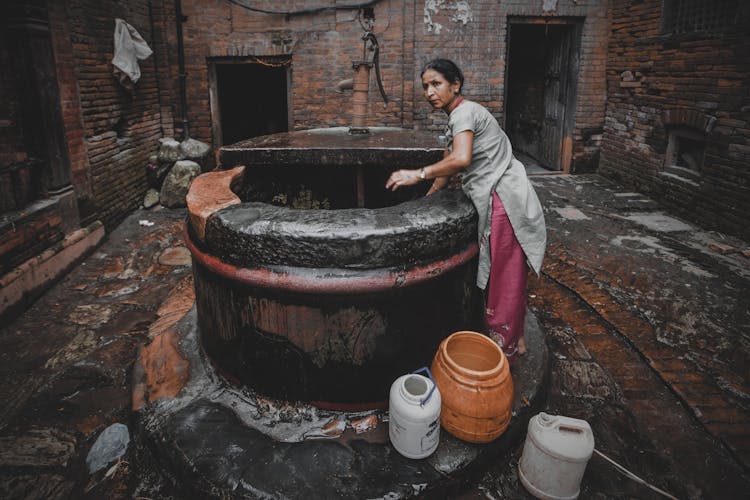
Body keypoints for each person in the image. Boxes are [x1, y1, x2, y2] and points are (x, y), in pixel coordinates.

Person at [385, 58, 546, 362]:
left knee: (504, 277)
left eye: (436, 84)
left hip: (504, 200)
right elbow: (448, 168)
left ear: (455, 85)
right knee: (506, 274)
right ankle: (517, 339)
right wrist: (426, 200)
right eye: (425, 86)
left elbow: (460, 159)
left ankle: (502, 359)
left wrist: (416, 174)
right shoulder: (457, 118)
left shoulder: (464, 113)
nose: (429, 92)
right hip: (503, 195)